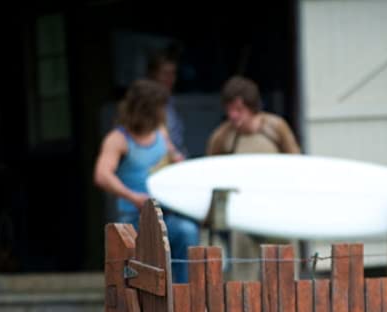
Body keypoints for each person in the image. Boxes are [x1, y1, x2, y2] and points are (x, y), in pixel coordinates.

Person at [93, 78, 199, 284]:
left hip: (165, 213)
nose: (163, 113)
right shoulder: (118, 139)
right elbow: (102, 175)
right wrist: (133, 197)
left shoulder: (160, 132)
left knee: (187, 231)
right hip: (134, 217)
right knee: (177, 236)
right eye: (159, 109)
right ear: (145, 110)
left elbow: (173, 156)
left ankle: (182, 291)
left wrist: (178, 162)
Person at [206, 75, 301, 155]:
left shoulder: (276, 127)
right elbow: (213, 165)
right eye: (229, 110)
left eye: (239, 109)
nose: (233, 115)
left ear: (251, 107)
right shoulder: (221, 136)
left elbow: (294, 158)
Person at [146, 45, 187, 158]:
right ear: (154, 75)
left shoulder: (170, 100)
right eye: (165, 74)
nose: (170, 78)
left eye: (173, 73)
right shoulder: (146, 103)